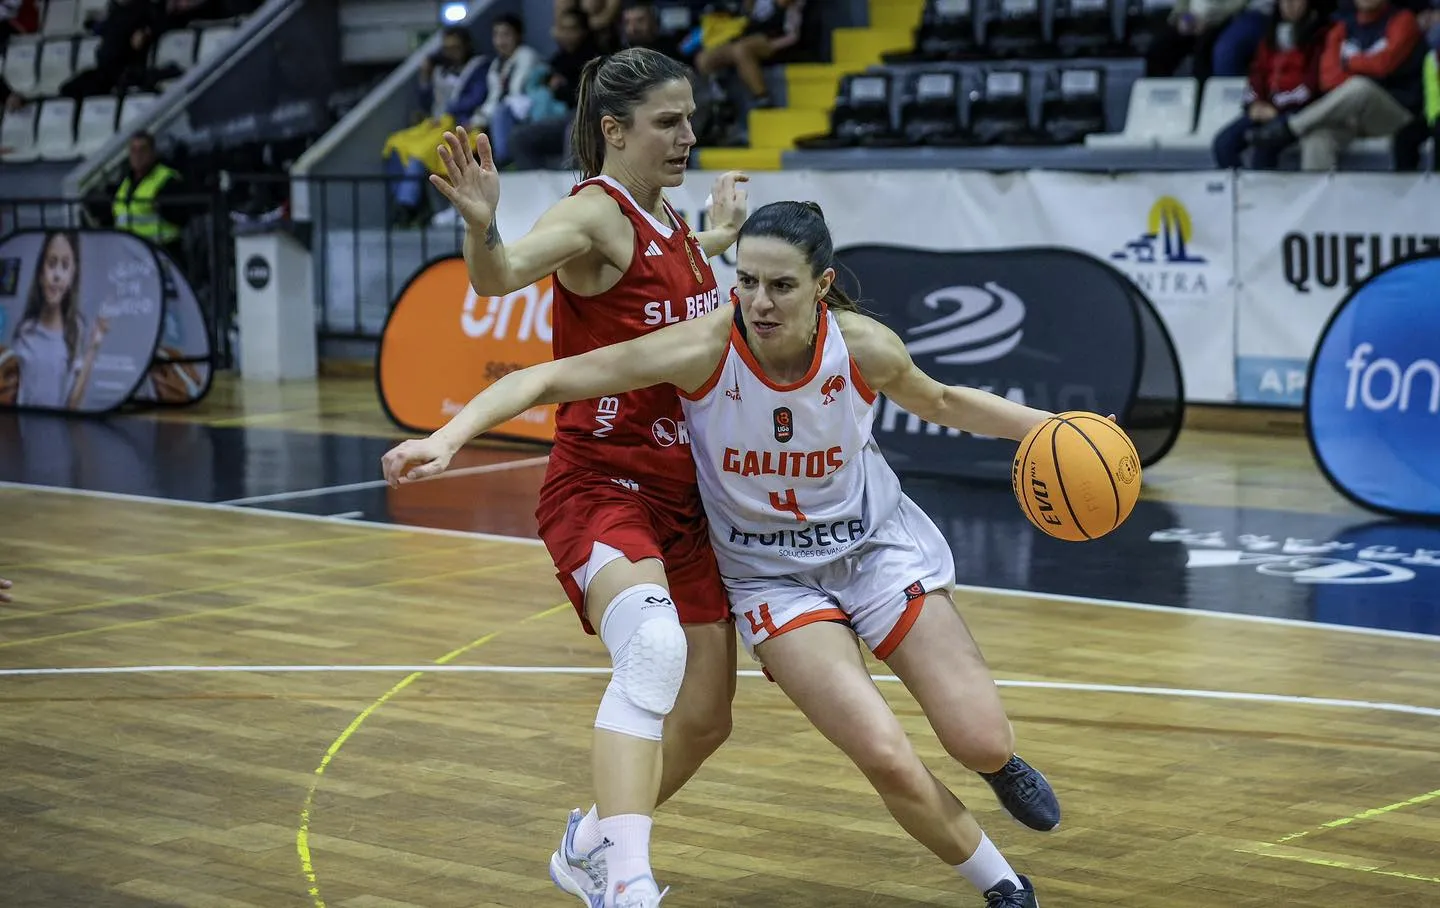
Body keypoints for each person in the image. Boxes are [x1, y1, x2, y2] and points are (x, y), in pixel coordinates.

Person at [382, 200, 1065, 908]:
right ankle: (1006, 887)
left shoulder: (861, 348)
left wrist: (1055, 428)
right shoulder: (703, 346)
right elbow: (551, 379)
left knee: (979, 739)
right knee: (884, 754)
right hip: (772, 578)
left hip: (875, 549)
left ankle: (999, 764)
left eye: (781, 286)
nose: (759, 303)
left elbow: (946, 400)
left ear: (822, 286)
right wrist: (448, 437)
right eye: (747, 282)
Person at [394, 47, 750, 908]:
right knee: (654, 650)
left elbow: (666, 267)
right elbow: (502, 274)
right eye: (668, 121)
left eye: (691, 118)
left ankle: (591, 842)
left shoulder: (666, 224)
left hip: (681, 497)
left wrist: (721, 239)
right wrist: (484, 223)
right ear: (614, 130)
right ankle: (627, 884)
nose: (688, 135)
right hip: (601, 484)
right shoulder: (593, 212)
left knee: (705, 720)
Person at [1212, 0, 1325, 169]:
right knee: (1223, 144)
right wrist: (1254, 104)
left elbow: (1311, 88)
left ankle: (1263, 194)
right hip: (1265, 108)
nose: (1289, 4)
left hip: (1298, 111)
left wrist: (1275, 108)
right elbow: (1257, 75)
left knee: (1265, 142)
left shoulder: (1319, 37)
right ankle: (1242, 192)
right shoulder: (1270, 35)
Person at [10, 231, 107, 410]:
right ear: (41, 273)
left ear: (71, 277)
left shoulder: (76, 329)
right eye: (51, 264)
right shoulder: (25, 331)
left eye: (65, 266)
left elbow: (72, 405)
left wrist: (93, 347)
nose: (57, 275)